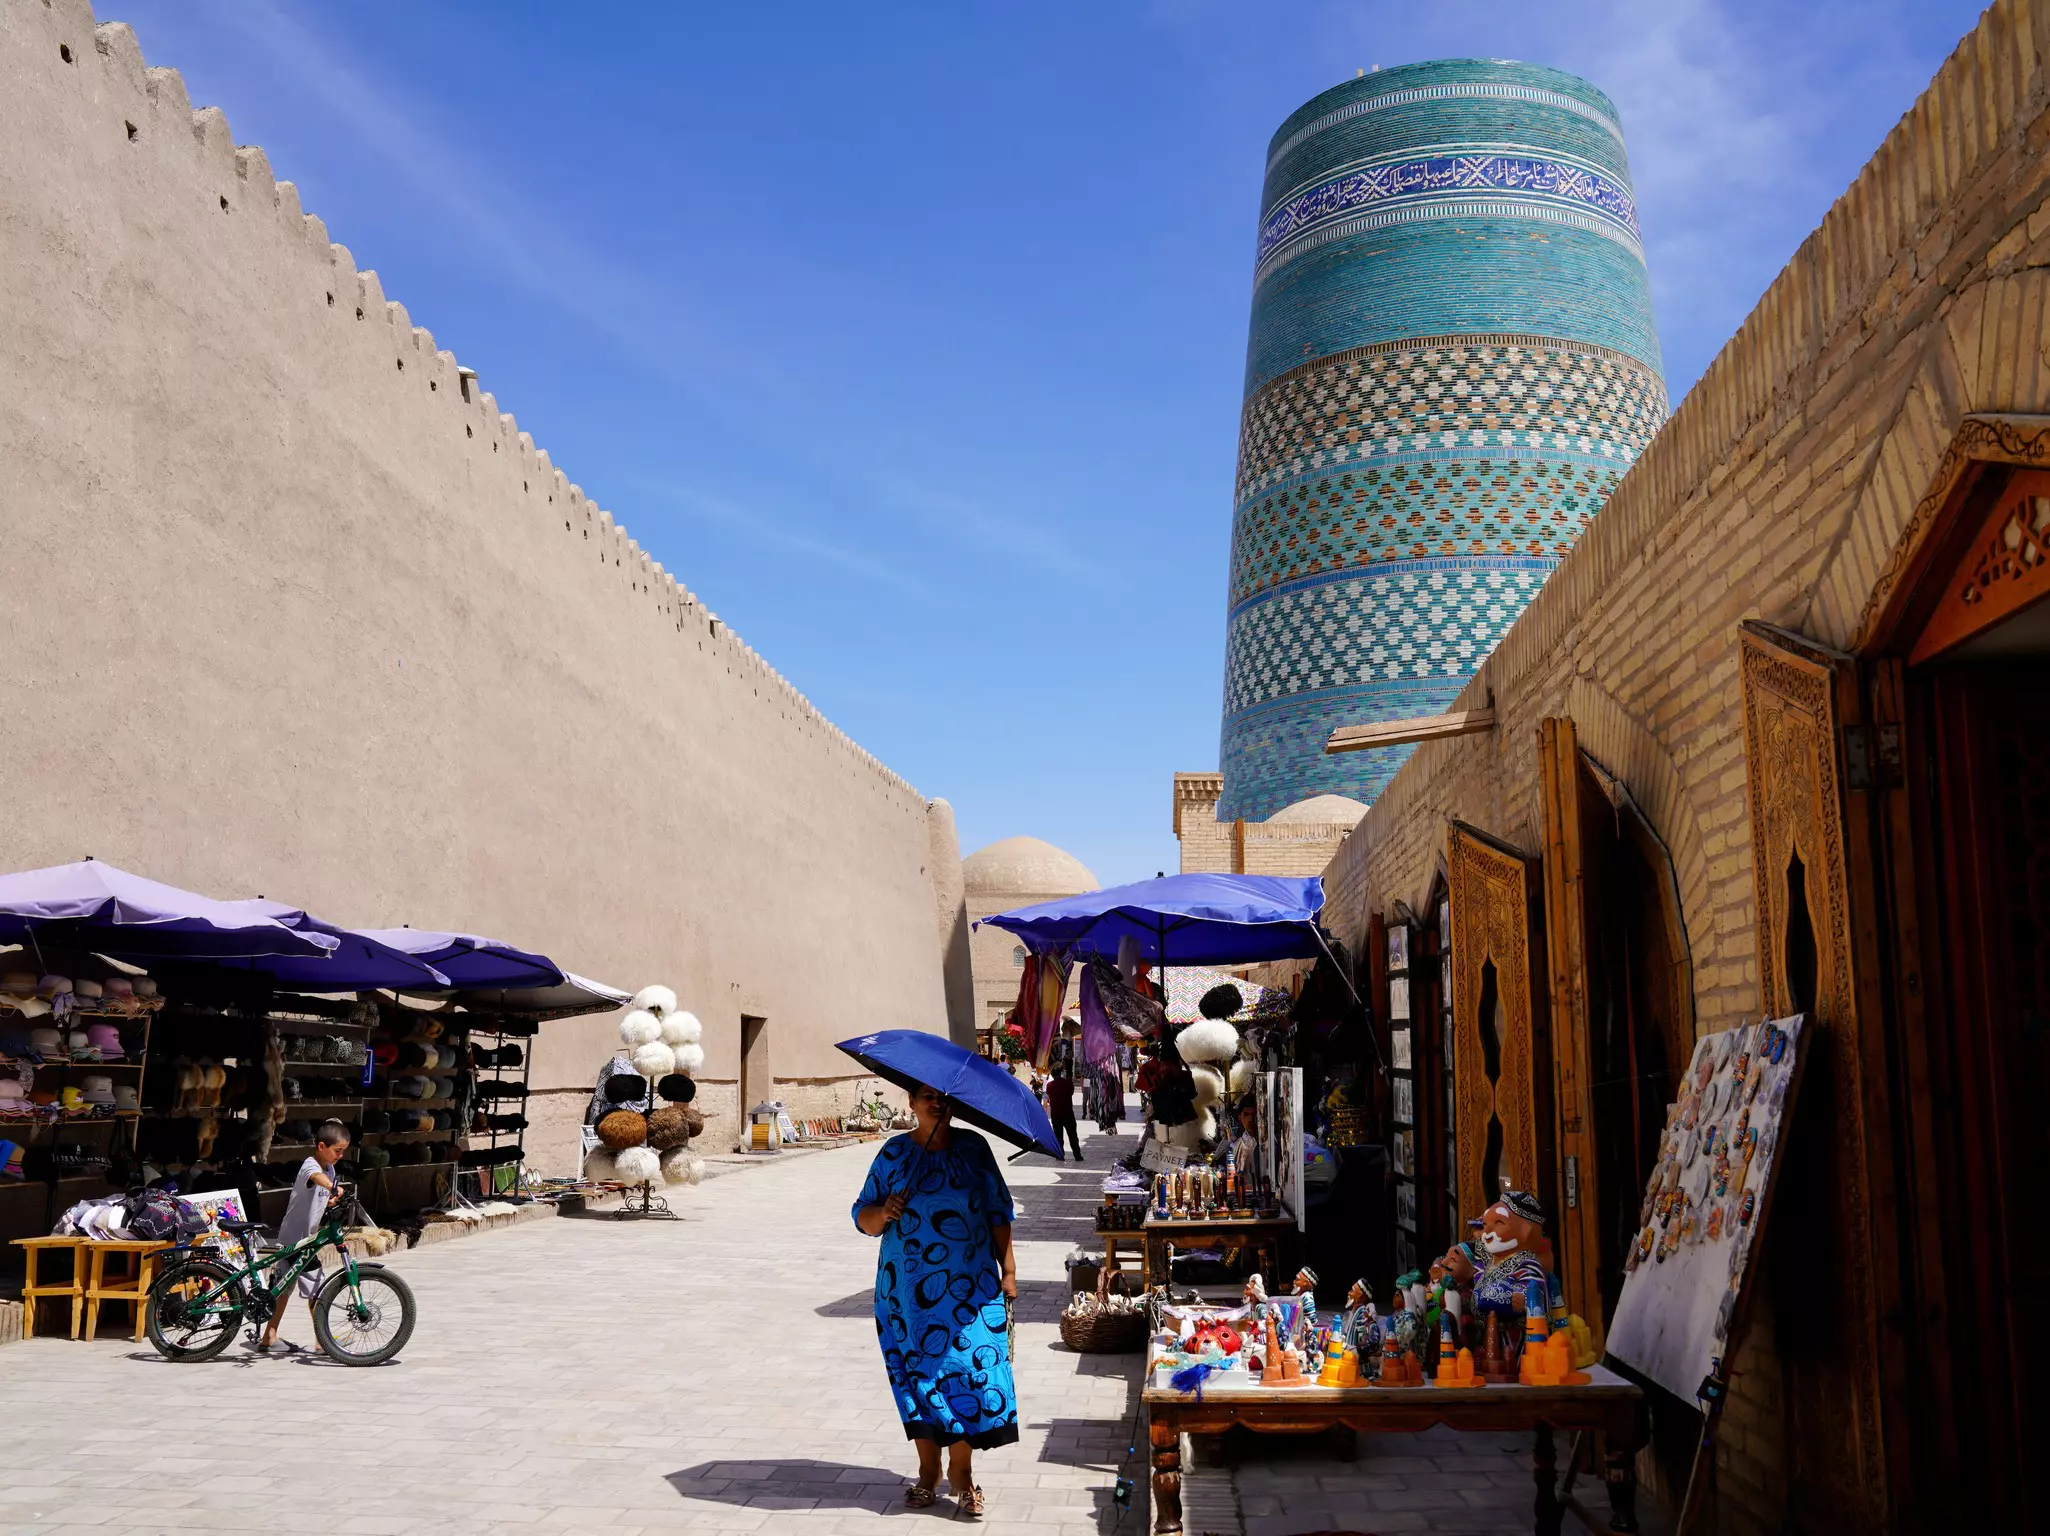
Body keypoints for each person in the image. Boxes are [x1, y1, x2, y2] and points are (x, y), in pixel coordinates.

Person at [853, 1082, 1018, 1520]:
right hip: (906, 1295)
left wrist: (1010, 1272)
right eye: (927, 1095)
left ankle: (962, 1473)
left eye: (944, 1096)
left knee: (970, 1376)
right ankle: (928, 1471)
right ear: (911, 1102)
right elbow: (862, 1217)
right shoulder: (894, 1154)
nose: (937, 1102)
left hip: (972, 1291)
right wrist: (883, 1212)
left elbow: (999, 1211)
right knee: (919, 1378)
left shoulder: (974, 1148)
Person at [254, 1121, 350, 1354]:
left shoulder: (330, 1169)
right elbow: (317, 1179)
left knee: (282, 1290)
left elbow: (319, 1195)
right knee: (317, 1288)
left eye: (343, 1151)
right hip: (296, 1240)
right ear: (321, 1146)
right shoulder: (311, 1165)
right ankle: (323, 1340)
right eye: (337, 1150)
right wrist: (332, 1187)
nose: (341, 1155)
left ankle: (269, 1336)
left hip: (303, 1238)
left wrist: (332, 1199)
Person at [1047, 1064, 1083, 1161]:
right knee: (1073, 1136)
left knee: (1058, 1136)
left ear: (1052, 1075)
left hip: (1055, 1115)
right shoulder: (1068, 1083)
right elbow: (1071, 1092)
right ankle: (1077, 1155)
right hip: (1068, 1113)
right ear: (1061, 1074)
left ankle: (1059, 1155)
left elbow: (1049, 1096)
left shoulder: (1049, 1085)